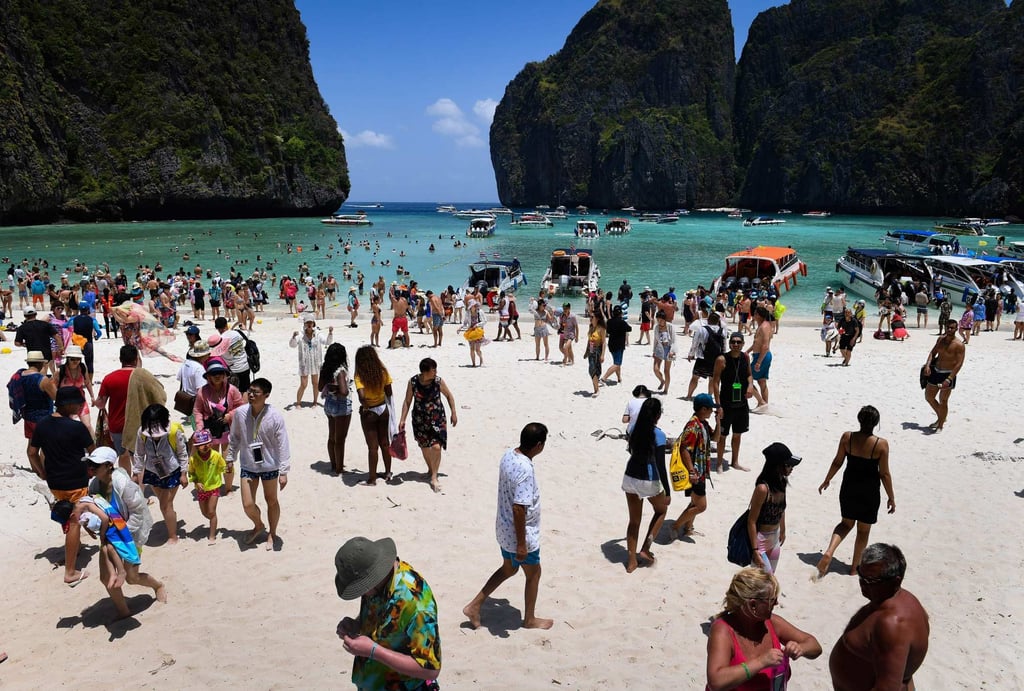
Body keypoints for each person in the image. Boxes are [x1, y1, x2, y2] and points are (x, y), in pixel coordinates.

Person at [463, 422, 553, 630]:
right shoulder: (525, 470)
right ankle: (529, 619)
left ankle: (474, 606)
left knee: (509, 569)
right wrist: (522, 545)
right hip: (519, 534)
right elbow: (519, 509)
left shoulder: (509, 455)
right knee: (534, 573)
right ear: (538, 445)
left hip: (503, 529)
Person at [335, 536, 442, 689]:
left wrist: (373, 651)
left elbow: (431, 670)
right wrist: (357, 624)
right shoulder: (377, 584)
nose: (361, 594)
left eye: (361, 588)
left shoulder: (416, 605)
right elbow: (385, 619)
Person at [829, 544, 930, 691]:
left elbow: (889, 687)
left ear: (895, 581)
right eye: (861, 576)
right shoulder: (903, 599)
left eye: (870, 581)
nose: (862, 585)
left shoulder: (892, 625)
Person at [705, 567, 822, 691]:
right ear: (753, 604)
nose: (776, 603)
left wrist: (801, 648)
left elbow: (815, 646)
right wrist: (761, 662)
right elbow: (716, 682)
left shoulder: (773, 623)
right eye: (772, 600)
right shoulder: (723, 630)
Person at [83, 446, 165, 619]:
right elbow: (93, 509)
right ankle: (124, 612)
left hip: (130, 535)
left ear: (107, 466)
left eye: (95, 465)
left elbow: (138, 513)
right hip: (109, 535)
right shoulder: (95, 485)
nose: (91, 468)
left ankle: (158, 586)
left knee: (131, 577)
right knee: (106, 577)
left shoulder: (123, 484)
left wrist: (123, 534)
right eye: (90, 464)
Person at [816, 405, 895, 578]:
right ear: (876, 423)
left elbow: (837, 462)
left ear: (859, 420)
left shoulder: (847, 437)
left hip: (849, 487)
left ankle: (829, 551)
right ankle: (854, 568)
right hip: (869, 491)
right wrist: (891, 497)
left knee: (845, 524)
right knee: (863, 531)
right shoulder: (881, 444)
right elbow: (884, 473)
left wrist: (827, 479)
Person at [28, 386, 95, 585]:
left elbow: (32, 453)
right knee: (74, 521)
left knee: (66, 513)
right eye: (78, 403)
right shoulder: (76, 427)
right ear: (68, 405)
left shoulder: (42, 424)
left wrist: (42, 472)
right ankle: (71, 571)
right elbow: (93, 451)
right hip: (76, 480)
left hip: (54, 482)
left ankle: (73, 546)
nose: (80, 406)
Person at [227, 377, 290, 549]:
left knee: (272, 500)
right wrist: (230, 458)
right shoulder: (240, 413)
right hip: (248, 464)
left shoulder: (275, 416)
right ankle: (258, 524)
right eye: (250, 391)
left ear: (266, 395)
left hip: (269, 465)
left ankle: (272, 533)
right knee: (248, 504)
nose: (251, 395)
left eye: (256, 392)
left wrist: (284, 472)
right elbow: (235, 438)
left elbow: (283, 444)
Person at [620, 397, 671, 572]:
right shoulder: (659, 435)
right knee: (661, 510)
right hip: (648, 480)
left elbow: (632, 451)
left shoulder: (633, 428)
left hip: (630, 476)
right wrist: (668, 490)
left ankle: (631, 561)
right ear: (657, 415)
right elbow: (660, 465)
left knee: (634, 521)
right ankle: (646, 548)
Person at [399, 358, 457, 493]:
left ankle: (434, 477)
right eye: (433, 370)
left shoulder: (438, 381)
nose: (436, 372)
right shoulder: (413, 382)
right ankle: (431, 470)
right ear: (425, 372)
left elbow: (449, 396)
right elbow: (407, 401)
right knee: (424, 447)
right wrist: (403, 419)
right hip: (420, 419)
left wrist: (453, 412)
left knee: (436, 447)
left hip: (437, 418)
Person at [746, 443, 801, 574]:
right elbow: (751, 521)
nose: (792, 468)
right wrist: (754, 550)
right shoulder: (762, 489)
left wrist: (783, 529)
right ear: (777, 466)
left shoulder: (782, 482)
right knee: (767, 580)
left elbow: (781, 509)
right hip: (760, 542)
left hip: (775, 538)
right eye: (788, 465)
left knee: (769, 581)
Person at [193, 359, 244, 493]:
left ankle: (227, 488)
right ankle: (214, 485)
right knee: (211, 461)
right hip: (210, 432)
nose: (217, 376)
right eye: (213, 374)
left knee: (228, 461)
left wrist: (230, 415)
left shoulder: (232, 390)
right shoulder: (202, 392)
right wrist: (199, 427)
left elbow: (241, 407)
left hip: (228, 431)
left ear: (225, 375)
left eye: (220, 373)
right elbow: (197, 410)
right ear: (208, 376)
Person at [671, 393, 717, 539]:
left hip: (702, 470)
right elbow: (684, 449)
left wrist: (719, 421)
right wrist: (692, 471)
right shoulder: (693, 426)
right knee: (701, 506)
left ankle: (688, 527)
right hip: (695, 471)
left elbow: (715, 438)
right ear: (703, 409)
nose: (712, 411)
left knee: (694, 501)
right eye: (711, 409)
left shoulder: (703, 423)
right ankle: (676, 526)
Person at [711, 332, 753, 472]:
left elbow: (749, 375)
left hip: (741, 403)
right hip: (726, 403)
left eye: (738, 342)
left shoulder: (745, 357)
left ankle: (735, 462)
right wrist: (718, 405)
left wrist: (750, 386)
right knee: (722, 436)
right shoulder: (722, 360)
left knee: (737, 434)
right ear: (729, 344)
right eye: (733, 342)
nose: (736, 344)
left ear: (743, 344)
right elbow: (715, 382)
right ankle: (718, 464)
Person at [354, 345, 394, 485]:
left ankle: (372, 479)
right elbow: (389, 391)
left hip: (369, 412)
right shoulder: (382, 371)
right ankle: (388, 472)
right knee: (384, 443)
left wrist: (365, 406)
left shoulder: (360, 375)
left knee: (372, 447)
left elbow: (362, 396)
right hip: (383, 409)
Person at [10, 350, 57, 462]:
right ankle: (43, 470)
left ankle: (36, 470)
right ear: (40, 363)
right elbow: (56, 397)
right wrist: (54, 381)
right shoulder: (42, 380)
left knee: (32, 446)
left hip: (28, 415)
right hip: (43, 416)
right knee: (46, 446)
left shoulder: (20, 376)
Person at [922, 318, 966, 431]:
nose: (949, 329)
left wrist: (949, 379)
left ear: (956, 329)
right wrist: (927, 365)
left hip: (947, 374)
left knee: (943, 400)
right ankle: (942, 416)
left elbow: (959, 364)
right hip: (936, 371)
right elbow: (933, 353)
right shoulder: (940, 339)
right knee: (929, 397)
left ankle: (940, 425)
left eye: (952, 327)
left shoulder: (959, 345)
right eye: (948, 327)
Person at [319, 343, 353, 475]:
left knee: (331, 437)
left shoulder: (324, 368)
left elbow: (320, 388)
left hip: (329, 404)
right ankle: (339, 468)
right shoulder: (340, 370)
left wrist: (331, 389)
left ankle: (333, 464)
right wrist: (338, 389)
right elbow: (344, 392)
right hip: (341, 404)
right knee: (340, 439)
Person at [187, 429, 225, 542]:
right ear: (196, 446)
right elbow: (192, 473)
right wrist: (196, 482)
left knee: (211, 511)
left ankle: (212, 535)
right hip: (201, 489)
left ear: (211, 443)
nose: (204, 446)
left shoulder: (216, 456)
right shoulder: (194, 459)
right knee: (205, 512)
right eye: (200, 445)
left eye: (206, 444)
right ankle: (213, 521)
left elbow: (223, 467)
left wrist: (228, 468)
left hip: (214, 487)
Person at [289, 317, 333, 408]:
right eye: (307, 323)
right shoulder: (300, 335)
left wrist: (330, 333)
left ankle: (315, 402)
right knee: (304, 384)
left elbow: (327, 342)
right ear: (304, 324)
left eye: (311, 323)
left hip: (315, 362)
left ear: (313, 324)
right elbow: (292, 345)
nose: (309, 324)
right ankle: (298, 403)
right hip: (304, 363)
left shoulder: (318, 334)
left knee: (315, 383)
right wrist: (293, 337)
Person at [15, 307, 59, 374]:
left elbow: (17, 343)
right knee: (44, 367)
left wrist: (24, 344)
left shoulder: (22, 328)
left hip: (32, 353)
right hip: (46, 351)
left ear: (25, 316)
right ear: (36, 314)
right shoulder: (45, 324)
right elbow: (57, 336)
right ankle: (42, 381)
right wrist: (61, 347)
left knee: (35, 369)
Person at [746, 306, 773, 408]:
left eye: (755, 313)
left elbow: (765, 345)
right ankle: (764, 404)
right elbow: (757, 343)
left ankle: (761, 402)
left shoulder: (764, 327)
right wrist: (748, 351)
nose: (754, 315)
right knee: (762, 381)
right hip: (761, 355)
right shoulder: (762, 325)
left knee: (747, 378)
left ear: (758, 315)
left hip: (762, 356)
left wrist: (758, 362)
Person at [601, 304, 632, 384]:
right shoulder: (622, 322)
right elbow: (630, 329)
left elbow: (608, 331)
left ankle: (619, 378)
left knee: (616, 362)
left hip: (611, 345)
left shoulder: (609, 321)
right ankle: (604, 378)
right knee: (617, 364)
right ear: (620, 313)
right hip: (619, 346)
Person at [651, 310, 676, 394]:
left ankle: (666, 389)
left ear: (664, 319)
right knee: (655, 369)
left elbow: (674, 340)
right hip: (659, 349)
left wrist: (672, 351)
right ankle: (662, 381)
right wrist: (653, 351)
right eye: (658, 319)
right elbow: (655, 340)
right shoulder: (656, 327)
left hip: (669, 349)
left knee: (666, 371)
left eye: (661, 320)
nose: (659, 321)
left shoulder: (670, 326)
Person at [585, 312, 606, 396]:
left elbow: (604, 343)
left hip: (597, 351)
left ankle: (596, 390)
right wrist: (586, 352)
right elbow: (589, 340)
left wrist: (603, 355)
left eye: (592, 317)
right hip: (591, 351)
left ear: (597, 318)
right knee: (591, 369)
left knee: (595, 370)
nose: (590, 318)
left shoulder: (601, 329)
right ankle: (596, 389)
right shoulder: (591, 327)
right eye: (590, 316)